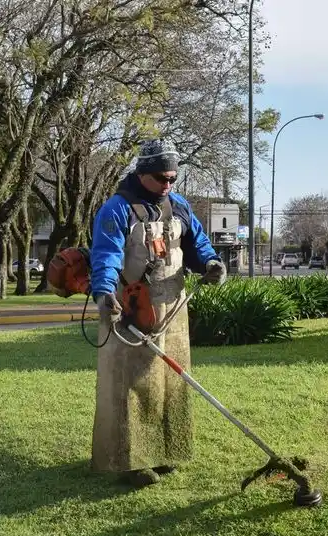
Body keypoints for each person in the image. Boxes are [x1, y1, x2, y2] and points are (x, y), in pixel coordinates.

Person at [89, 139, 226, 487]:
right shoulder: (116, 209)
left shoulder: (178, 205)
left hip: (175, 306)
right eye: (162, 178)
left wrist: (211, 262)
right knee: (134, 385)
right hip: (133, 308)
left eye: (173, 179)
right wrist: (105, 294)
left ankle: (170, 452)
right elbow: (105, 255)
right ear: (143, 173)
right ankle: (130, 463)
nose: (168, 185)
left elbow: (198, 242)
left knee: (172, 381)